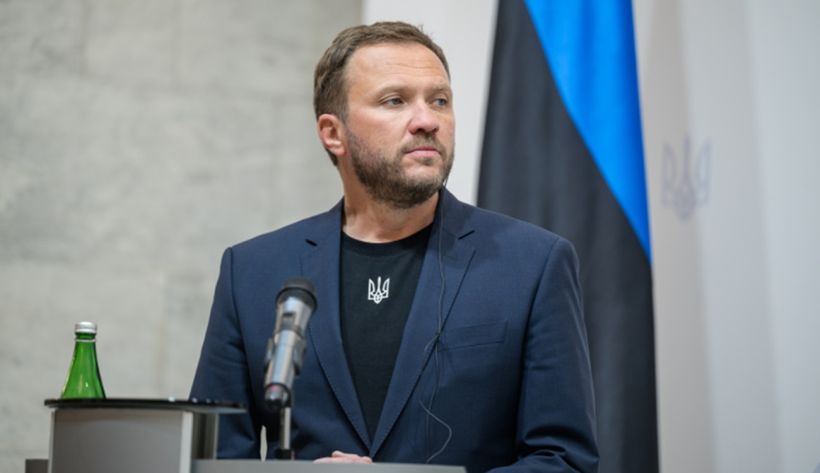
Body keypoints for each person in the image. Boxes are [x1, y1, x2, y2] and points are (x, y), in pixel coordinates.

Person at [191, 21, 598, 473]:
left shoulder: (532, 264)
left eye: (439, 100)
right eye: (395, 101)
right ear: (333, 133)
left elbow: (564, 461)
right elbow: (211, 460)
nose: (427, 120)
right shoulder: (253, 272)